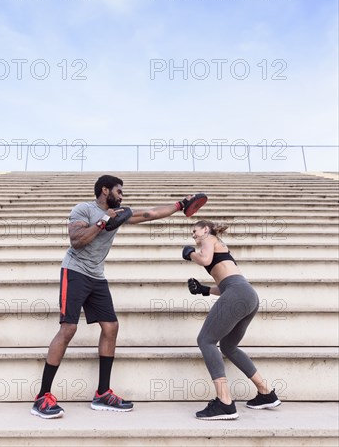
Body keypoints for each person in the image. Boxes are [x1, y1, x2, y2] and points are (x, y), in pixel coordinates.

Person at [32, 174, 203, 418]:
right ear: (105, 190)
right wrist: (103, 222)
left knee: (111, 327)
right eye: (119, 191)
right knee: (68, 329)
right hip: (75, 271)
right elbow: (76, 240)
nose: (122, 196)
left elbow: (148, 214)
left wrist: (179, 205)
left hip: (96, 276)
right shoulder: (84, 209)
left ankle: (102, 393)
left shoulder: (119, 214)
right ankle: (42, 397)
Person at [183, 219, 281, 420]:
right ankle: (265, 393)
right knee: (228, 346)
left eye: (195, 230)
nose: (193, 235)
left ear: (205, 229)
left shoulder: (208, 238)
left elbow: (205, 259)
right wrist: (204, 290)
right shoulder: (221, 248)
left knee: (205, 341)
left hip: (238, 293)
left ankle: (225, 402)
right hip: (247, 295)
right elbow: (227, 284)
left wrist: (190, 253)